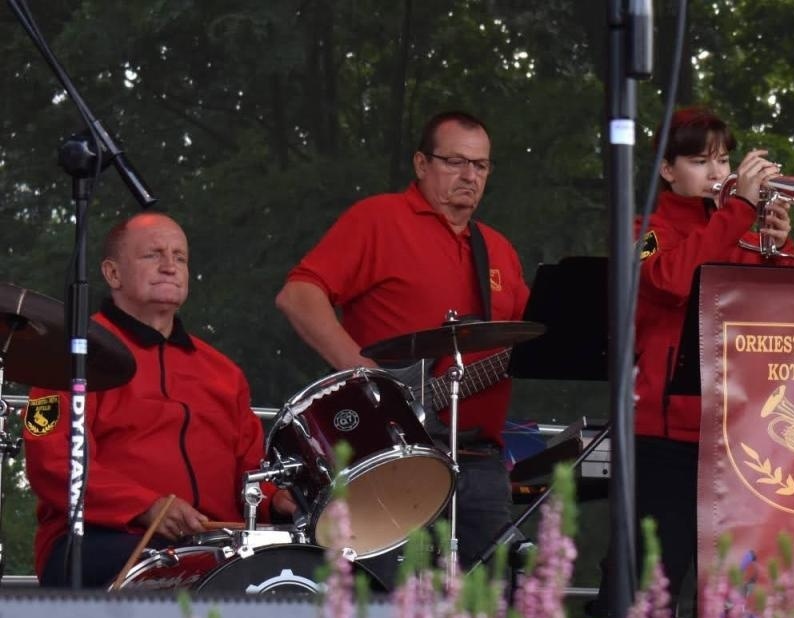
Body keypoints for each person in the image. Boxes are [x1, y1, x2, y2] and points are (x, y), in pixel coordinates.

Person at [276, 110, 532, 568]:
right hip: (391, 460)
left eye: (480, 165)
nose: (469, 176)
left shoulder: (498, 249)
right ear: (421, 163)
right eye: (455, 162)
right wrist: (366, 377)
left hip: (478, 462)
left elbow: (528, 336)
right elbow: (298, 296)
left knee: (489, 614)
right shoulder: (379, 219)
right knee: (386, 608)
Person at [22, 212, 293, 587]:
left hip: (218, 545)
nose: (170, 266)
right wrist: (144, 506)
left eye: (180, 257)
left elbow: (249, 476)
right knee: (202, 580)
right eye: (153, 255)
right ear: (112, 273)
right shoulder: (72, 357)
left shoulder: (224, 373)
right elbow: (51, 460)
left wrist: (275, 502)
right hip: (102, 539)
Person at [619, 106, 792, 618]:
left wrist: (777, 251)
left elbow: (784, 318)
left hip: (741, 439)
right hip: (665, 437)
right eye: (700, 161)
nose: (718, 173)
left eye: (723, 160)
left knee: (743, 599)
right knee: (655, 588)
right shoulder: (642, 227)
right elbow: (670, 278)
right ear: (667, 170)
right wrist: (736, 212)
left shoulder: (739, 224)